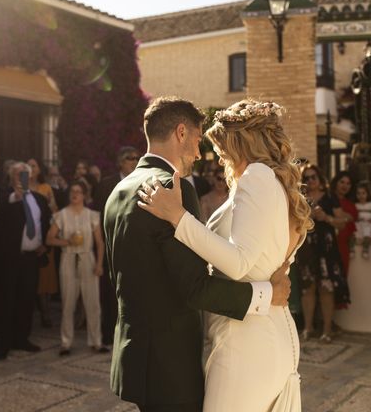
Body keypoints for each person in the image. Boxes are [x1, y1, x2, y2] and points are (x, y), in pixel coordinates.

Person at [104, 97, 293, 412]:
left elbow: (121, 277)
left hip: (132, 358)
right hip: (171, 366)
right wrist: (266, 294)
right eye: (195, 139)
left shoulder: (118, 192)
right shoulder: (172, 188)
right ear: (180, 132)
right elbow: (194, 288)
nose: (198, 152)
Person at [0, 162, 51, 360]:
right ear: (11, 177)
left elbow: (46, 222)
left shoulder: (39, 199)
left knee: (26, 300)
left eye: (26, 174)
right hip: (10, 258)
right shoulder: (4, 196)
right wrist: (15, 196)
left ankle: (21, 338)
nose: (23, 177)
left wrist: (44, 244)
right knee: (6, 300)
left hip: (31, 258)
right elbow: (1, 208)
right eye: (19, 174)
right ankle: (2, 344)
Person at [47, 181, 107, 355]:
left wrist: (99, 264)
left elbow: (100, 243)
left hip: (87, 258)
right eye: (73, 191)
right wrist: (67, 242)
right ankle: (66, 342)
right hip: (68, 258)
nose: (75, 194)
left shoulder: (92, 215)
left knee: (93, 302)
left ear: (84, 195)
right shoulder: (61, 215)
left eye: (79, 191)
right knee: (68, 302)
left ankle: (96, 341)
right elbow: (49, 239)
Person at [91, 145, 140, 345]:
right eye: (130, 157)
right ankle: (109, 331)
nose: (134, 161)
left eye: (137, 157)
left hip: (135, 245)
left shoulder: (143, 182)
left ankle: (130, 329)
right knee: (110, 290)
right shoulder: (106, 184)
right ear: (120, 161)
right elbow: (97, 215)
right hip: (110, 244)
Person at [297, 164, 349, 343]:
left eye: (313, 177)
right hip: (306, 248)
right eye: (307, 178)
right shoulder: (300, 199)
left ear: (320, 179)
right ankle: (308, 328)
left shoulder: (329, 198)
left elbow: (343, 222)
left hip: (326, 248)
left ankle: (327, 330)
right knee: (307, 288)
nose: (310, 181)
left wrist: (326, 217)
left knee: (326, 288)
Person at [27, 157, 58, 329]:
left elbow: (55, 211)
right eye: (28, 166)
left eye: (34, 165)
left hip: (45, 237)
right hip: (28, 239)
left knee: (46, 276)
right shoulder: (21, 189)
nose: (31, 168)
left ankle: (45, 313)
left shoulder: (46, 188)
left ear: (39, 169)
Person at [330, 171, 357, 275]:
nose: (345, 186)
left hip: (343, 247)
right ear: (336, 182)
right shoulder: (327, 199)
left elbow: (352, 222)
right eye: (342, 182)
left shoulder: (351, 205)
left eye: (348, 183)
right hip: (327, 244)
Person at [352, 181, 371, 261]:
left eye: (363, 193)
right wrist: (357, 219)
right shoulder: (355, 205)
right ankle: (352, 249)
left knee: (367, 230)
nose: (361, 196)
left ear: (367, 194)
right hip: (359, 224)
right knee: (355, 232)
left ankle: (366, 248)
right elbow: (354, 216)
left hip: (369, 224)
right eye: (358, 193)